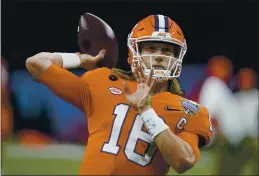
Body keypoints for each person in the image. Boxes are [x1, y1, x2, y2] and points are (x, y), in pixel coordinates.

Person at [25, 14, 212, 175]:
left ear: (177, 56)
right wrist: (79, 59)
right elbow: (36, 63)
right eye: (151, 48)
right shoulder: (103, 82)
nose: (159, 56)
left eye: (167, 50)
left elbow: (183, 162)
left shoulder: (188, 110)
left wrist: (146, 110)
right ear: (134, 52)